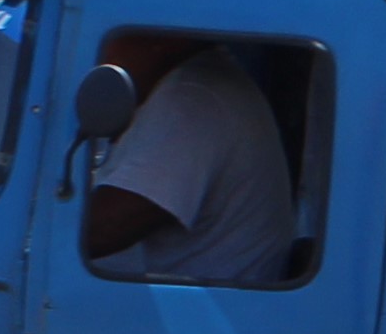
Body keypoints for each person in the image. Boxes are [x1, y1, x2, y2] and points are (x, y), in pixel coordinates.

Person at [79, 36, 299, 285]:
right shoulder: (182, 87)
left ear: (158, 40)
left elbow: (107, 227)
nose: (102, 55)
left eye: (111, 40)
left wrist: (32, 235)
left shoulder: (193, 96)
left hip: (197, 314)